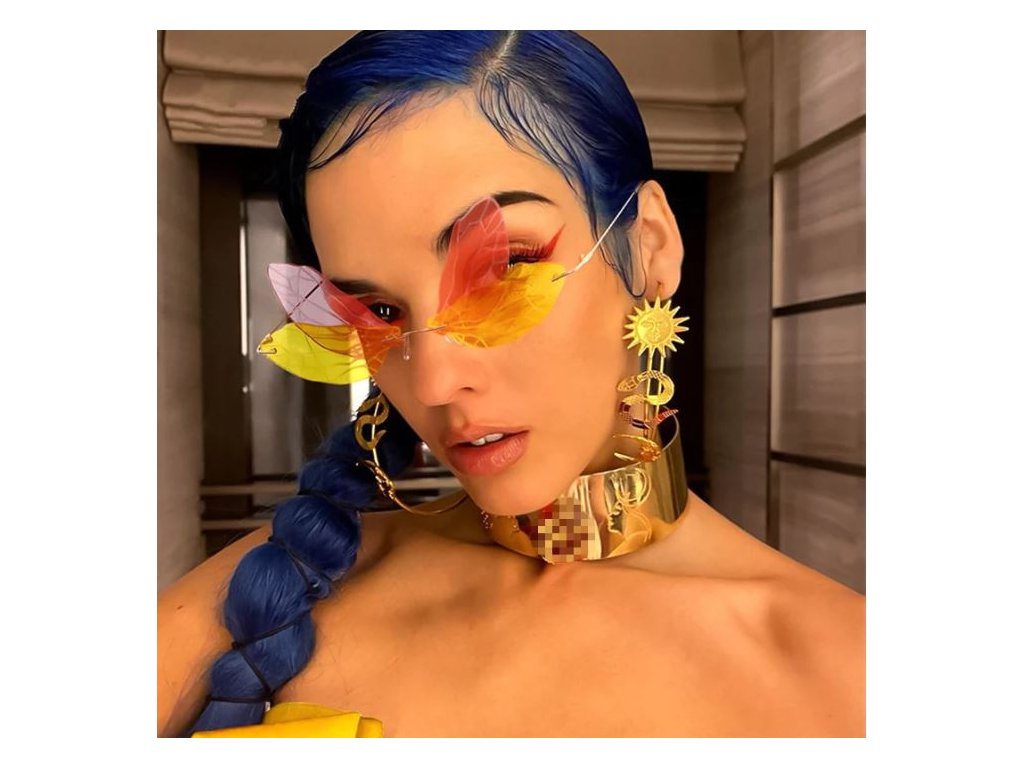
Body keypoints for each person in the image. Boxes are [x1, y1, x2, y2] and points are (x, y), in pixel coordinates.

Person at [157, 30, 865, 738]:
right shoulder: (275, 583)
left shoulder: (849, 670)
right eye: (380, 312)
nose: (434, 380)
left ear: (650, 245)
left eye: (501, 268)